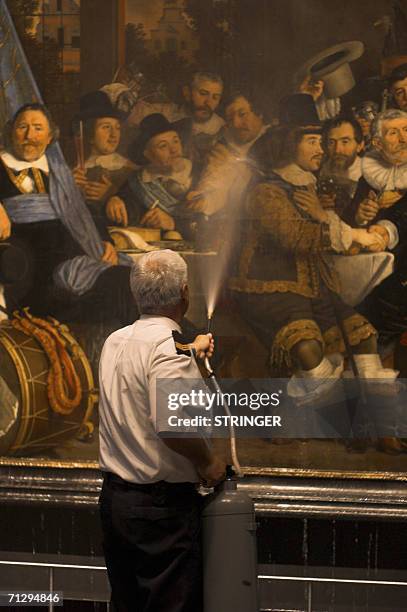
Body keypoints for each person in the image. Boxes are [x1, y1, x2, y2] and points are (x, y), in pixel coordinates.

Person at [229, 94, 400, 451]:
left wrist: (328, 219)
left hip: (312, 287)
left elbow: (321, 230)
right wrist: (340, 230)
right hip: (268, 291)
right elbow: (297, 236)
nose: (322, 149)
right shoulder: (265, 192)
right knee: (307, 348)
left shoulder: (306, 186)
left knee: (363, 336)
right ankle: (348, 422)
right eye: (313, 142)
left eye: (322, 142)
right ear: (289, 144)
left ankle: (383, 425)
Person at [99, 249, 226, 612]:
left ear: (135, 292)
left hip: (117, 503)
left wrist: (191, 356)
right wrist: (208, 463)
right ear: (185, 293)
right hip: (161, 512)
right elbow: (172, 426)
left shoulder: (115, 341)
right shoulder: (170, 351)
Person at [0, 103, 136, 325]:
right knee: (119, 281)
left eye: (37, 128)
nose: (29, 135)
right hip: (37, 264)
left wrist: (105, 239)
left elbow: (82, 210)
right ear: (11, 131)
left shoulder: (58, 170)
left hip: (80, 252)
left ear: (50, 136)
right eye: (22, 127)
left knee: (133, 279)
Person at [344, 109, 407, 358]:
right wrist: (361, 216)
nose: (403, 138)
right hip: (382, 266)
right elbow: (350, 220)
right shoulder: (369, 175)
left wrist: (386, 229)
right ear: (378, 143)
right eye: (394, 133)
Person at [107, 113, 198, 240]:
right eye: (163, 146)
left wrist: (173, 223)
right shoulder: (138, 182)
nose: (174, 150)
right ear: (148, 154)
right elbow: (130, 211)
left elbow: (212, 224)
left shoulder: (200, 174)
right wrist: (114, 200)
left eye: (175, 141)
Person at [186, 91, 271, 219]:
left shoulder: (276, 139)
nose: (236, 124)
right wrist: (203, 201)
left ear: (259, 114)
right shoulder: (223, 149)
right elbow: (215, 187)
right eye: (230, 119)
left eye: (242, 114)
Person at [72, 91, 135, 231]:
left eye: (117, 128)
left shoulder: (129, 169)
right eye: (106, 127)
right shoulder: (76, 170)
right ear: (89, 134)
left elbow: (137, 211)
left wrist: (111, 196)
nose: (114, 135)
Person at [174, 71, 225, 174]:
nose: (208, 102)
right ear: (187, 93)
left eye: (215, 97)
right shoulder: (166, 113)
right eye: (203, 94)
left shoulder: (222, 127)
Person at [319, 115, 364, 216]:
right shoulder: (320, 169)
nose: (337, 150)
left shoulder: (370, 176)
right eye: (331, 142)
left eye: (345, 142)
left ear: (360, 146)